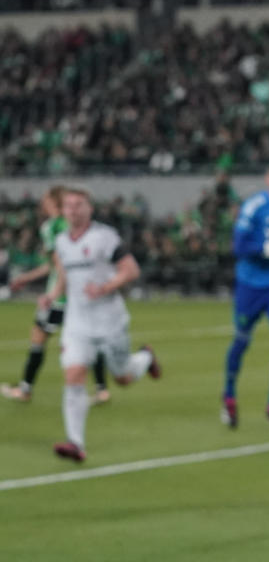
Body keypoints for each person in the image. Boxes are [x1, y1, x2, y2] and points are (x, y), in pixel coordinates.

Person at [42, 187, 161, 462]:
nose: (73, 210)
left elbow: (131, 270)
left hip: (110, 321)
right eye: (69, 206)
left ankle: (145, 357)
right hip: (77, 323)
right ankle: (76, 443)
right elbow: (63, 278)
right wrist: (50, 296)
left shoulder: (104, 237)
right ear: (64, 211)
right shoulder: (61, 241)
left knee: (123, 377)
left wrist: (106, 287)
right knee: (73, 375)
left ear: (89, 209)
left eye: (79, 205)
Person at [2, 186, 110, 404]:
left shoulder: (51, 227)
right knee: (91, 341)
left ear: (54, 203)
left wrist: (52, 293)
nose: (42, 204)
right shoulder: (77, 227)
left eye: (45, 201)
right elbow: (57, 265)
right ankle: (102, 389)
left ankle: (25, 389)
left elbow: (60, 267)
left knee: (38, 338)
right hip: (82, 296)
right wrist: (26, 278)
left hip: (60, 298)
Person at [221, 163, 269, 430]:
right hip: (250, 285)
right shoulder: (254, 206)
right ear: (268, 180)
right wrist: (267, 249)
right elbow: (238, 246)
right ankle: (229, 394)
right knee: (241, 342)